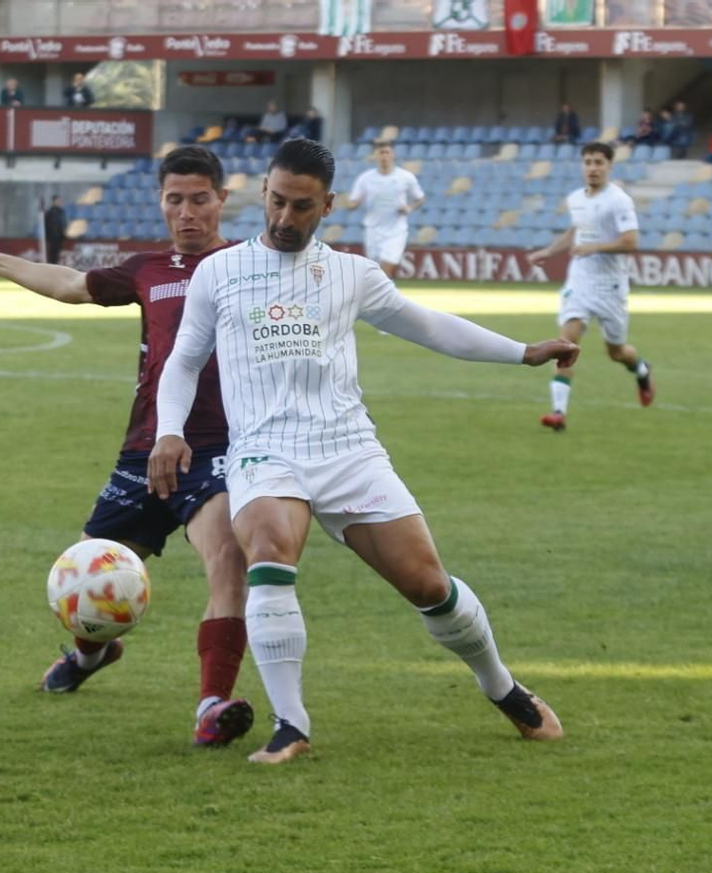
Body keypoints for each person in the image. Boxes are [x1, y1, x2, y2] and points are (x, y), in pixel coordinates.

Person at [147, 139, 576, 764]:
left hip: (348, 449)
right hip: (264, 451)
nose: (284, 218)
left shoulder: (351, 274)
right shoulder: (219, 272)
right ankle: (290, 724)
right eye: (275, 202)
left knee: (428, 584)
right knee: (268, 549)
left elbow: (427, 324)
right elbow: (184, 360)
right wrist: (169, 429)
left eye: (300, 207)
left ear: (327, 205)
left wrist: (521, 352)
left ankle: (501, 685)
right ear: (262, 191)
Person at [0, 146, 254, 747]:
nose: (186, 212)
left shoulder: (251, 266)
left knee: (228, 560)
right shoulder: (149, 270)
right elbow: (70, 285)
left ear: (221, 200)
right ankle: (88, 658)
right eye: (174, 200)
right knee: (87, 574)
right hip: (144, 451)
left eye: (199, 199)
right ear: (161, 203)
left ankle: (212, 705)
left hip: (219, 449)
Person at [527, 141, 652, 431]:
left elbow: (631, 242)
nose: (593, 168)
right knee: (566, 344)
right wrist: (549, 251)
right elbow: (576, 230)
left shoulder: (619, 200)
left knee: (617, 352)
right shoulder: (576, 198)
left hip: (610, 287)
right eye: (588, 162)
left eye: (599, 162)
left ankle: (642, 370)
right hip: (579, 282)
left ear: (609, 166)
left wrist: (594, 247)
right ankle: (558, 412)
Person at [343, 140, 424, 281]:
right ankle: (380, 299)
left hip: (396, 230)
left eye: (387, 152)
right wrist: (352, 204)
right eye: (381, 152)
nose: (384, 156)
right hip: (373, 229)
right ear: (376, 155)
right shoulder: (365, 179)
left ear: (393, 155)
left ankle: (381, 300)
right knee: (376, 270)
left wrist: (409, 208)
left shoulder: (405, 177)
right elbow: (353, 202)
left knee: (387, 267)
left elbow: (420, 198)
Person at [42, 194, 67, 264]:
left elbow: (63, 223)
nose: (59, 202)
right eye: (58, 201)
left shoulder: (61, 211)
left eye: (60, 201)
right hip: (52, 236)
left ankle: (56, 264)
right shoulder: (50, 213)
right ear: (54, 201)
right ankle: (52, 264)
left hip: (60, 236)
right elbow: (47, 224)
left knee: (58, 253)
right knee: (52, 253)